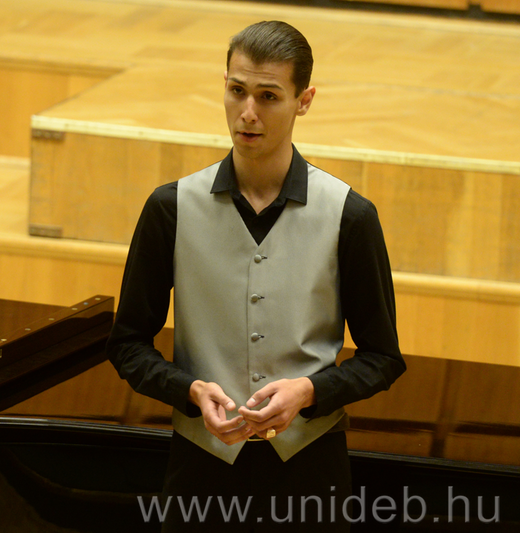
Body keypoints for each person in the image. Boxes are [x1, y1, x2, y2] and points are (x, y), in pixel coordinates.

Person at [106, 20, 406, 532]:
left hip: (311, 473)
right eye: (237, 91)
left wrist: (309, 392)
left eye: (268, 96)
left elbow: (383, 358)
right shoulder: (170, 208)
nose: (248, 112)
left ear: (304, 100)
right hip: (199, 472)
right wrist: (189, 391)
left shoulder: (350, 216)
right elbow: (128, 344)